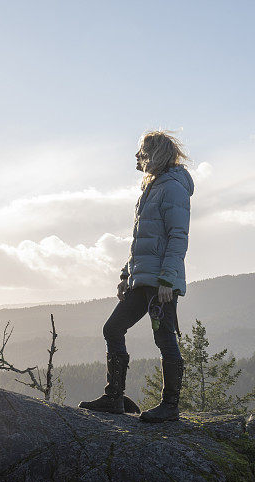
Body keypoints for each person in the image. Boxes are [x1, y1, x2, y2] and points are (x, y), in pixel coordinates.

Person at [79, 131, 194, 422]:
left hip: (160, 284)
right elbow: (142, 240)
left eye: (141, 151)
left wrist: (167, 279)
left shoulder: (173, 189)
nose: (137, 157)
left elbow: (177, 237)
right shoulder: (152, 188)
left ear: (155, 153)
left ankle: (170, 406)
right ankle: (114, 398)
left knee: (164, 337)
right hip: (142, 280)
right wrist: (126, 275)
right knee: (113, 328)